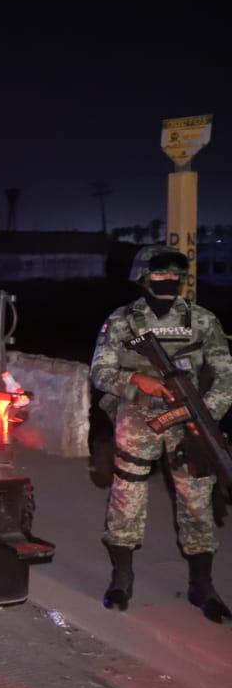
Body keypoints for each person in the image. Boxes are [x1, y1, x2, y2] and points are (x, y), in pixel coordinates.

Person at [91, 245, 232, 622]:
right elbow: (100, 373)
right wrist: (136, 381)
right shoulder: (122, 322)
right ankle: (121, 578)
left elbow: (224, 377)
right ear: (143, 276)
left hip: (191, 423)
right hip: (138, 419)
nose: (170, 281)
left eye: (176, 275)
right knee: (126, 496)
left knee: (197, 500)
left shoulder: (203, 321)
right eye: (160, 275)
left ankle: (202, 585)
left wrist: (202, 412)